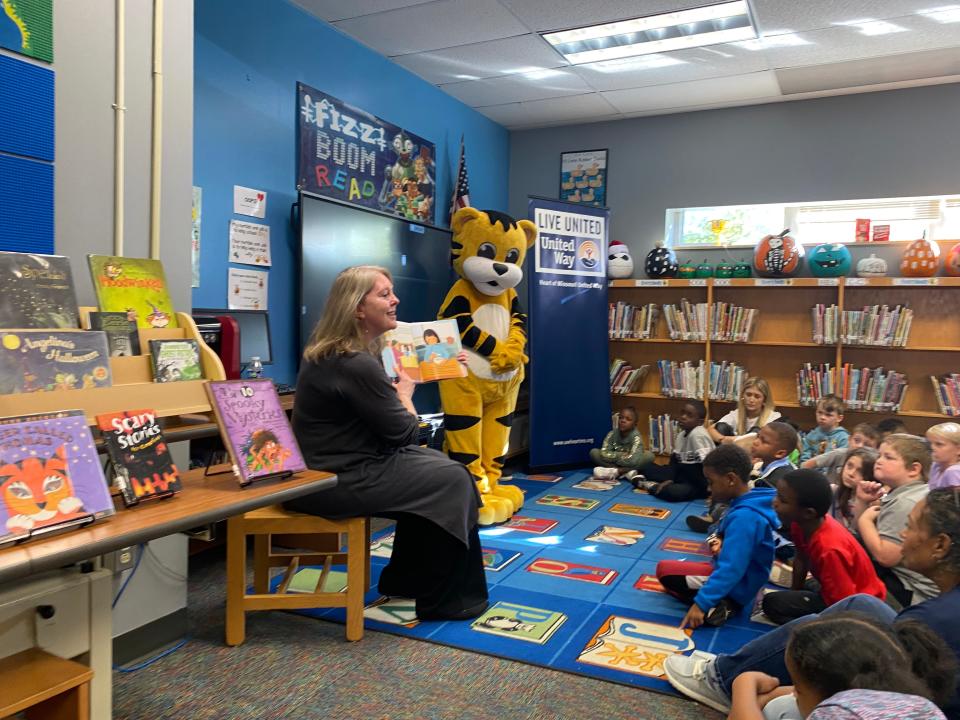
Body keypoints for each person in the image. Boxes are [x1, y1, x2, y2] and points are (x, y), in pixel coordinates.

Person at [286, 265, 488, 621]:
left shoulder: (338, 353)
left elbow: (383, 420)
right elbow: (406, 433)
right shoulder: (354, 363)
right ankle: (446, 598)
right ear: (357, 308)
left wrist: (410, 386)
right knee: (451, 478)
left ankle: (409, 581)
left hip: (344, 468)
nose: (395, 300)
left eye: (392, 292)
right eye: (384, 294)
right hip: (335, 481)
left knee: (443, 472)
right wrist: (407, 394)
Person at [663, 488, 960, 720]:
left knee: (814, 637)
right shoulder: (938, 610)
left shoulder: (934, 620)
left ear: (940, 545)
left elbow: (889, 690)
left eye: (909, 527)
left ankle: (724, 680)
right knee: (859, 605)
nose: (903, 535)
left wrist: (761, 691)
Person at [728, 614, 954, 720]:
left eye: (798, 687)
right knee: (780, 706)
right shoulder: (918, 703)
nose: (794, 692)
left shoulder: (836, 714)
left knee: (773, 710)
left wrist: (744, 683)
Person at [656, 444, 779, 628]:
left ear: (730, 479)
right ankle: (720, 600)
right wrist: (718, 539)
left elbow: (731, 568)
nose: (708, 488)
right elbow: (720, 533)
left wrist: (701, 604)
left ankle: (724, 603)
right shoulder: (745, 501)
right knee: (673, 571)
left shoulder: (745, 517)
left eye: (711, 482)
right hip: (742, 579)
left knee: (665, 571)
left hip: (739, 584)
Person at [760, 469, 885, 624]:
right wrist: (794, 594)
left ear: (808, 513)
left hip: (860, 609)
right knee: (803, 588)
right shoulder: (801, 524)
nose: (774, 502)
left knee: (772, 603)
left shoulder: (829, 549)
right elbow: (801, 559)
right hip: (840, 591)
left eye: (783, 500)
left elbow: (844, 602)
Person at [856, 434, 939, 607]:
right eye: (879, 455)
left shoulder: (906, 502)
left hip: (912, 592)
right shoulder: (906, 493)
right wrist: (863, 501)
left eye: (888, 457)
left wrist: (865, 520)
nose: (879, 461)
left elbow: (885, 556)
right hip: (901, 580)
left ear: (914, 469)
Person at [635, 400, 714, 502]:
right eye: (682, 413)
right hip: (683, 476)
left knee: (672, 493)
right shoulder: (681, 435)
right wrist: (670, 479)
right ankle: (643, 479)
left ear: (700, 422)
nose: (683, 417)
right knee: (646, 467)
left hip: (698, 484)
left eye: (689, 415)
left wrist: (712, 490)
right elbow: (674, 461)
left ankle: (646, 485)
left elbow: (710, 465)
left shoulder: (698, 434)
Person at [708, 377, 781, 446]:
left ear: (764, 400)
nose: (751, 400)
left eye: (757, 396)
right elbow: (711, 429)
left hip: (757, 456)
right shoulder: (737, 413)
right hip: (734, 451)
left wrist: (735, 440)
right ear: (743, 396)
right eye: (748, 395)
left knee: (756, 432)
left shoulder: (774, 417)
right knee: (721, 427)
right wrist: (722, 439)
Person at [801, 422, 880, 485]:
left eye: (867, 445)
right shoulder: (839, 454)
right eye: (856, 440)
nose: (859, 446)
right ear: (849, 440)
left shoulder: (874, 465)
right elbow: (806, 465)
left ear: (876, 450)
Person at [590, 406, 653, 480]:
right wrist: (621, 455)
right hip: (621, 462)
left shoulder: (636, 437)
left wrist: (615, 457)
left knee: (649, 456)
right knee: (594, 452)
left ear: (635, 424)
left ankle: (616, 471)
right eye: (621, 418)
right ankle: (626, 471)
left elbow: (633, 460)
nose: (623, 421)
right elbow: (604, 453)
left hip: (618, 462)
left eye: (628, 419)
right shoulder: (612, 434)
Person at [833, 447, 879, 531]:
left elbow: (857, 533)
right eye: (849, 466)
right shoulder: (833, 491)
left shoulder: (874, 504)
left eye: (860, 471)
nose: (851, 474)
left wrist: (862, 502)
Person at [800, 395, 849, 463]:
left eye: (828, 415)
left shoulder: (843, 438)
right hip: (811, 472)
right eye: (820, 412)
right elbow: (805, 458)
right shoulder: (811, 435)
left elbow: (841, 462)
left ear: (839, 418)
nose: (822, 417)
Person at [927, 422, 960, 490]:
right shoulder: (936, 465)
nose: (932, 448)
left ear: (958, 449)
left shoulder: (954, 471)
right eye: (930, 443)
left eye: (939, 444)